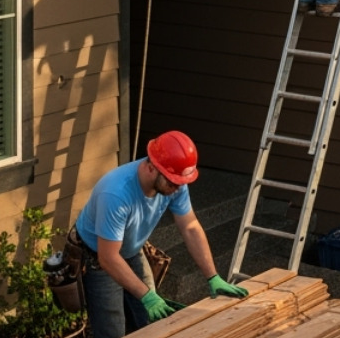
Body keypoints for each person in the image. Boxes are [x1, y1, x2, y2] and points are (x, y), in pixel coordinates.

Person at [73, 131, 247, 338]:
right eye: (172, 183)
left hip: (131, 249)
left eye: (180, 183)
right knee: (112, 329)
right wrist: (147, 296)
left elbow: (190, 227)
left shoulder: (175, 182)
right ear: (151, 168)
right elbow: (108, 258)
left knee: (152, 321)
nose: (177, 189)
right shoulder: (116, 194)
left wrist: (213, 276)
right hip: (98, 257)